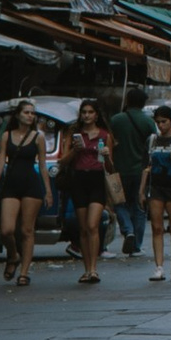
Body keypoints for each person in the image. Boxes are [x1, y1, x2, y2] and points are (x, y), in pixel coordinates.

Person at [54, 100, 123, 286]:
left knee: (93, 225)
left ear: (96, 115)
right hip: (78, 180)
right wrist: (75, 152)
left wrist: (107, 155)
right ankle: (87, 268)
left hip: (97, 179)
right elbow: (63, 161)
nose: (86, 115)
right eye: (84, 112)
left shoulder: (103, 135)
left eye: (90, 112)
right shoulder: (74, 134)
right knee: (83, 227)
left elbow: (109, 167)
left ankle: (94, 268)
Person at [0, 101, 51, 284]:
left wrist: (48, 190)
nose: (30, 116)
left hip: (31, 185)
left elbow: (42, 166)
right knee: (6, 230)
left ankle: (24, 272)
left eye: (32, 113)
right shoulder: (6, 136)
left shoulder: (38, 137)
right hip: (11, 184)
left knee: (27, 230)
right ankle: (12, 255)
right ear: (18, 115)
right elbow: (1, 163)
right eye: (26, 112)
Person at [141, 106, 171, 281]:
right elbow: (146, 167)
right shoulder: (152, 141)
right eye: (158, 122)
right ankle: (159, 266)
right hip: (156, 188)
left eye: (164, 121)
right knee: (156, 227)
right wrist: (142, 191)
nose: (161, 125)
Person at [109, 93, 153, 258]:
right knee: (139, 206)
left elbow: (108, 142)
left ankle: (128, 230)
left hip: (118, 170)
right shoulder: (148, 121)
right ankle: (136, 246)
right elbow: (152, 146)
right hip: (141, 171)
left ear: (127, 100)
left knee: (119, 203)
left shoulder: (115, 120)